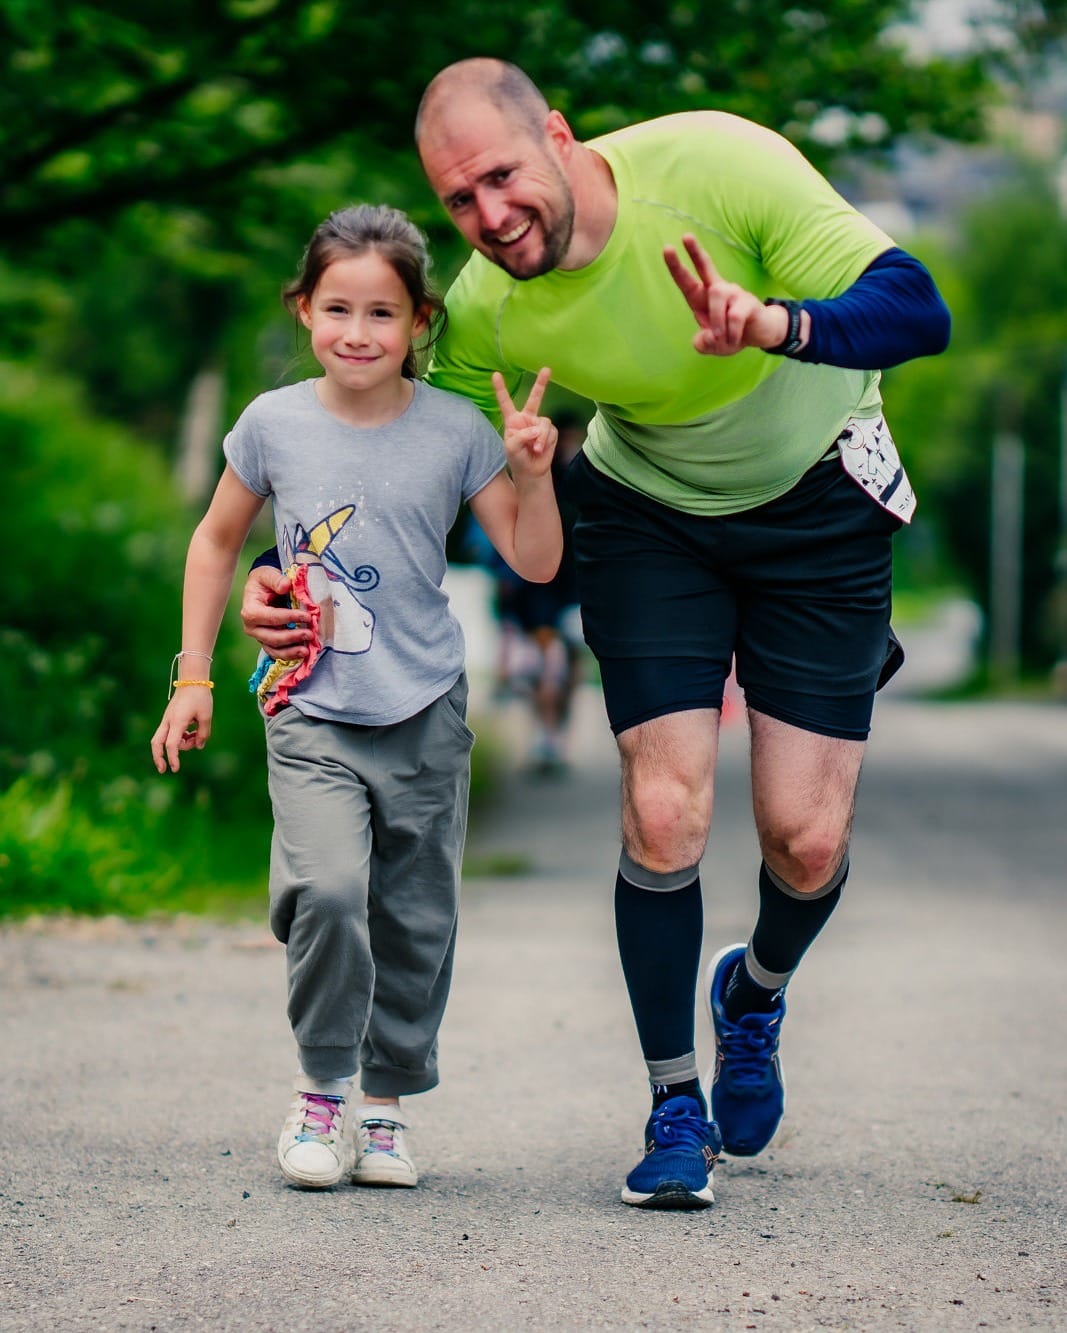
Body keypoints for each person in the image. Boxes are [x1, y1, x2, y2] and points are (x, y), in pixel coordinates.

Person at [241, 60, 951, 1211]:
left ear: (561, 137)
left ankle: (753, 994)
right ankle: (675, 1103)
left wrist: (776, 323)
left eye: (502, 178)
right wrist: (280, 587)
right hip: (646, 516)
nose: (489, 217)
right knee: (664, 808)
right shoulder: (478, 309)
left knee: (804, 840)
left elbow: (916, 307)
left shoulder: (715, 164)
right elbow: (394, 482)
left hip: (818, 504)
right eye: (458, 201)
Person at [150, 203, 561, 1192]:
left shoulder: (456, 432)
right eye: (337, 308)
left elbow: (535, 559)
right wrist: (193, 675)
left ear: (420, 321)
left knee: (415, 919)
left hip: (422, 710)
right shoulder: (272, 426)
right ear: (302, 310)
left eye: (381, 313)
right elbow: (215, 541)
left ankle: (384, 1107)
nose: (357, 332)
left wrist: (534, 474)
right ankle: (321, 1088)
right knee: (330, 892)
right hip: (311, 709)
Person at [466, 409, 586, 772]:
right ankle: (548, 736)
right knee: (550, 667)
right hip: (541, 594)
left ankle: (551, 734)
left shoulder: (578, 482)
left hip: (570, 592)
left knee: (563, 666)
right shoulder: (537, 480)